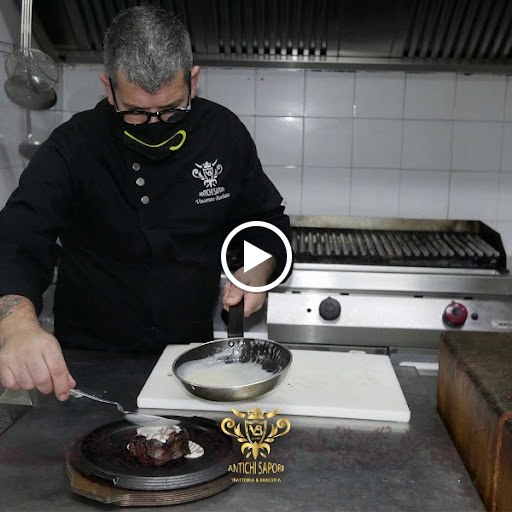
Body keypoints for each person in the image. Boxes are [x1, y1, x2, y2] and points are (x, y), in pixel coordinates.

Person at [0, 6, 290, 402]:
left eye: (171, 110)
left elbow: (263, 221)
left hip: (189, 360)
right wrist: (15, 324)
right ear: (109, 89)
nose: (155, 125)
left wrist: (256, 268)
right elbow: (18, 236)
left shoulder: (223, 134)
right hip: (86, 364)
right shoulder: (74, 145)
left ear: (193, 81)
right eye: (136, 113)